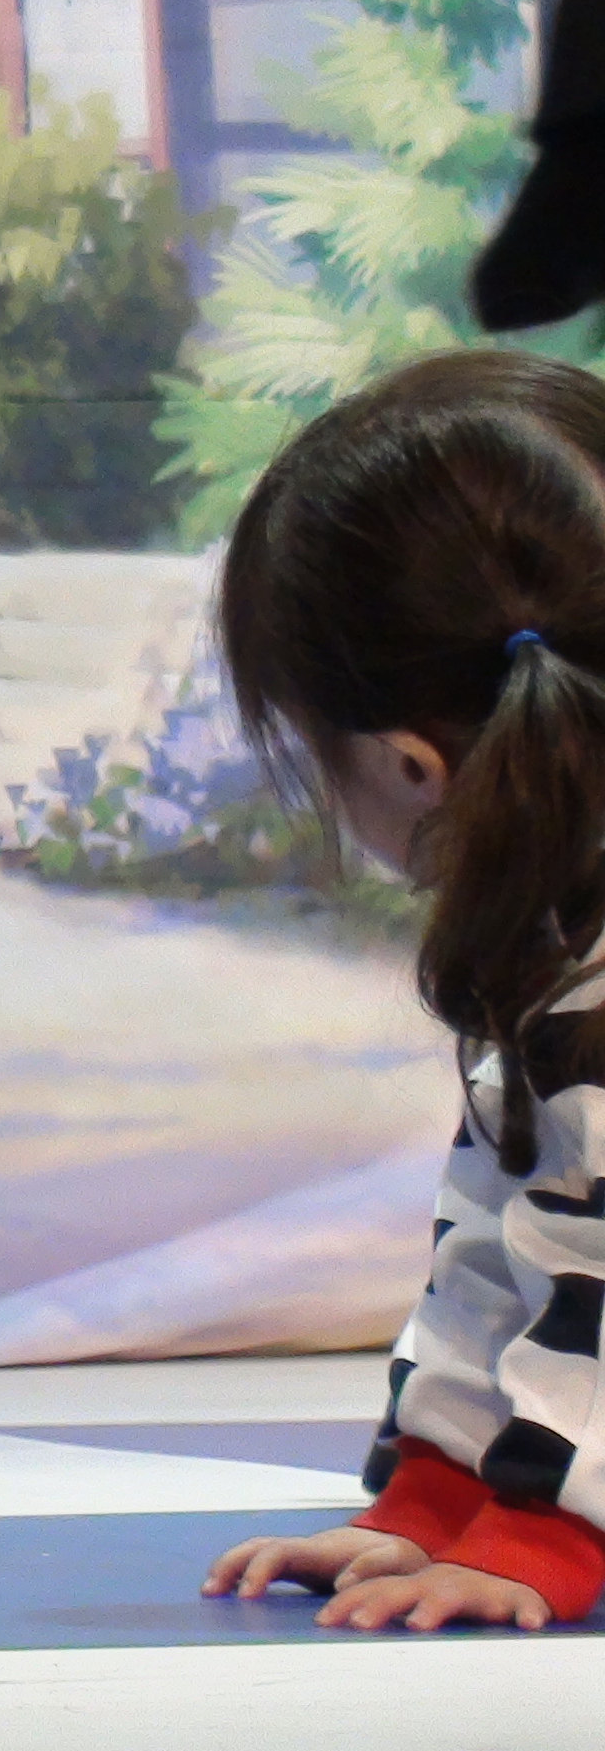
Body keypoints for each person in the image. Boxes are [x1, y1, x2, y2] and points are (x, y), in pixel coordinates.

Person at [199, 349, 605, 1633]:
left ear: (409, 766)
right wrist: (432, 1500)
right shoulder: (547, 940)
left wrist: (547, 1532)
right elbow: (502, 1238)